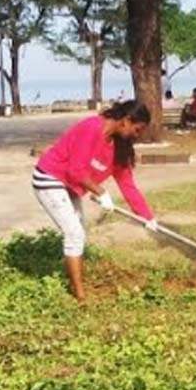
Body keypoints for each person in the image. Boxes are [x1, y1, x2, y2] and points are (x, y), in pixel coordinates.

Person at [32, 100, 158, 300]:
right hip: (49, 178)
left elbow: (127, 184)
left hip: (69, 186)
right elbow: (76, 170)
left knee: (79, 233)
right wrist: (101, 192)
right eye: (137, 129)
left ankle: (76, 281)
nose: (138, 135)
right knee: (74, 234)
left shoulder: (120, 146)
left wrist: (147, 217)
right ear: (126, 121)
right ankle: (80, 295)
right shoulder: (92, 128)